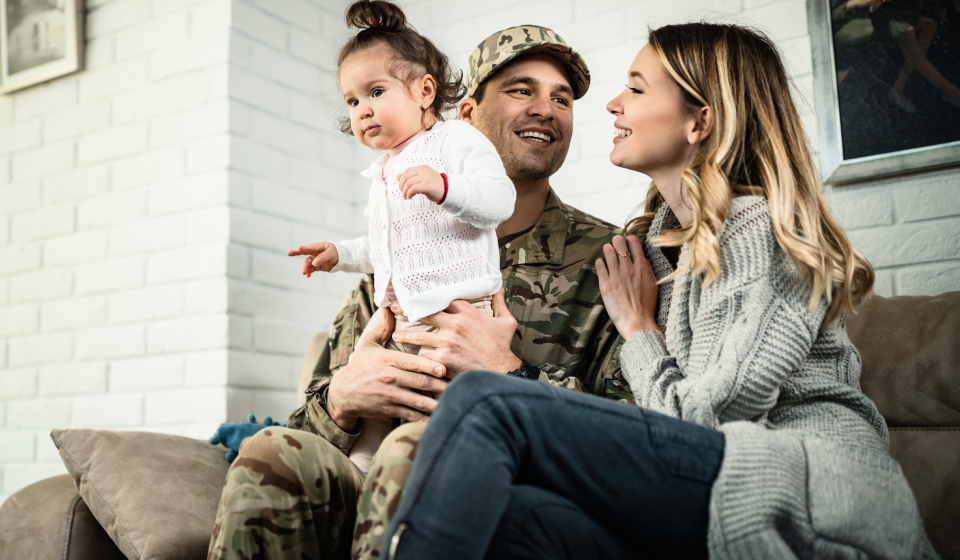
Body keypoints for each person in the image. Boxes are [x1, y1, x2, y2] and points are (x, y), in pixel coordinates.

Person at [381, 22, 939, 560]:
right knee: (517, 520)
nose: (611, 104)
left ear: (699, 122)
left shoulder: (758, 231)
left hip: (813, 500)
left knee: (487, 402)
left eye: (636, 88)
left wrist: (640, 332)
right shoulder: (649, 250)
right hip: (712, 501)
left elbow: (707, 421)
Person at [207, 14, 632, 560]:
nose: (546, 109)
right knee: (274, 452)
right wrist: (342, 398)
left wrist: (511, 376)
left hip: (507, 496)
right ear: (468, 115)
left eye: (563, 98)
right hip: (366, 474)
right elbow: (309, 422)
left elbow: (638, 444)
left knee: (415, 451)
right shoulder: (395, 251)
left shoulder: (609, 259)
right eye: (521, 89)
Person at [286, 0, 515, 475]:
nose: (362, 110)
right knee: (376, 412)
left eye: (375, 91)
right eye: (352, 101)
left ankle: (428, 474)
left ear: (424, 91)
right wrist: (341, 253)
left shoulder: (456, 141)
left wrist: (445, 187)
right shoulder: (385, 169)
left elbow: (499, 202)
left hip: (457, 317)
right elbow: (385, 245)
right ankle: (364, 475)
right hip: (402, 320)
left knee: (435, 412)